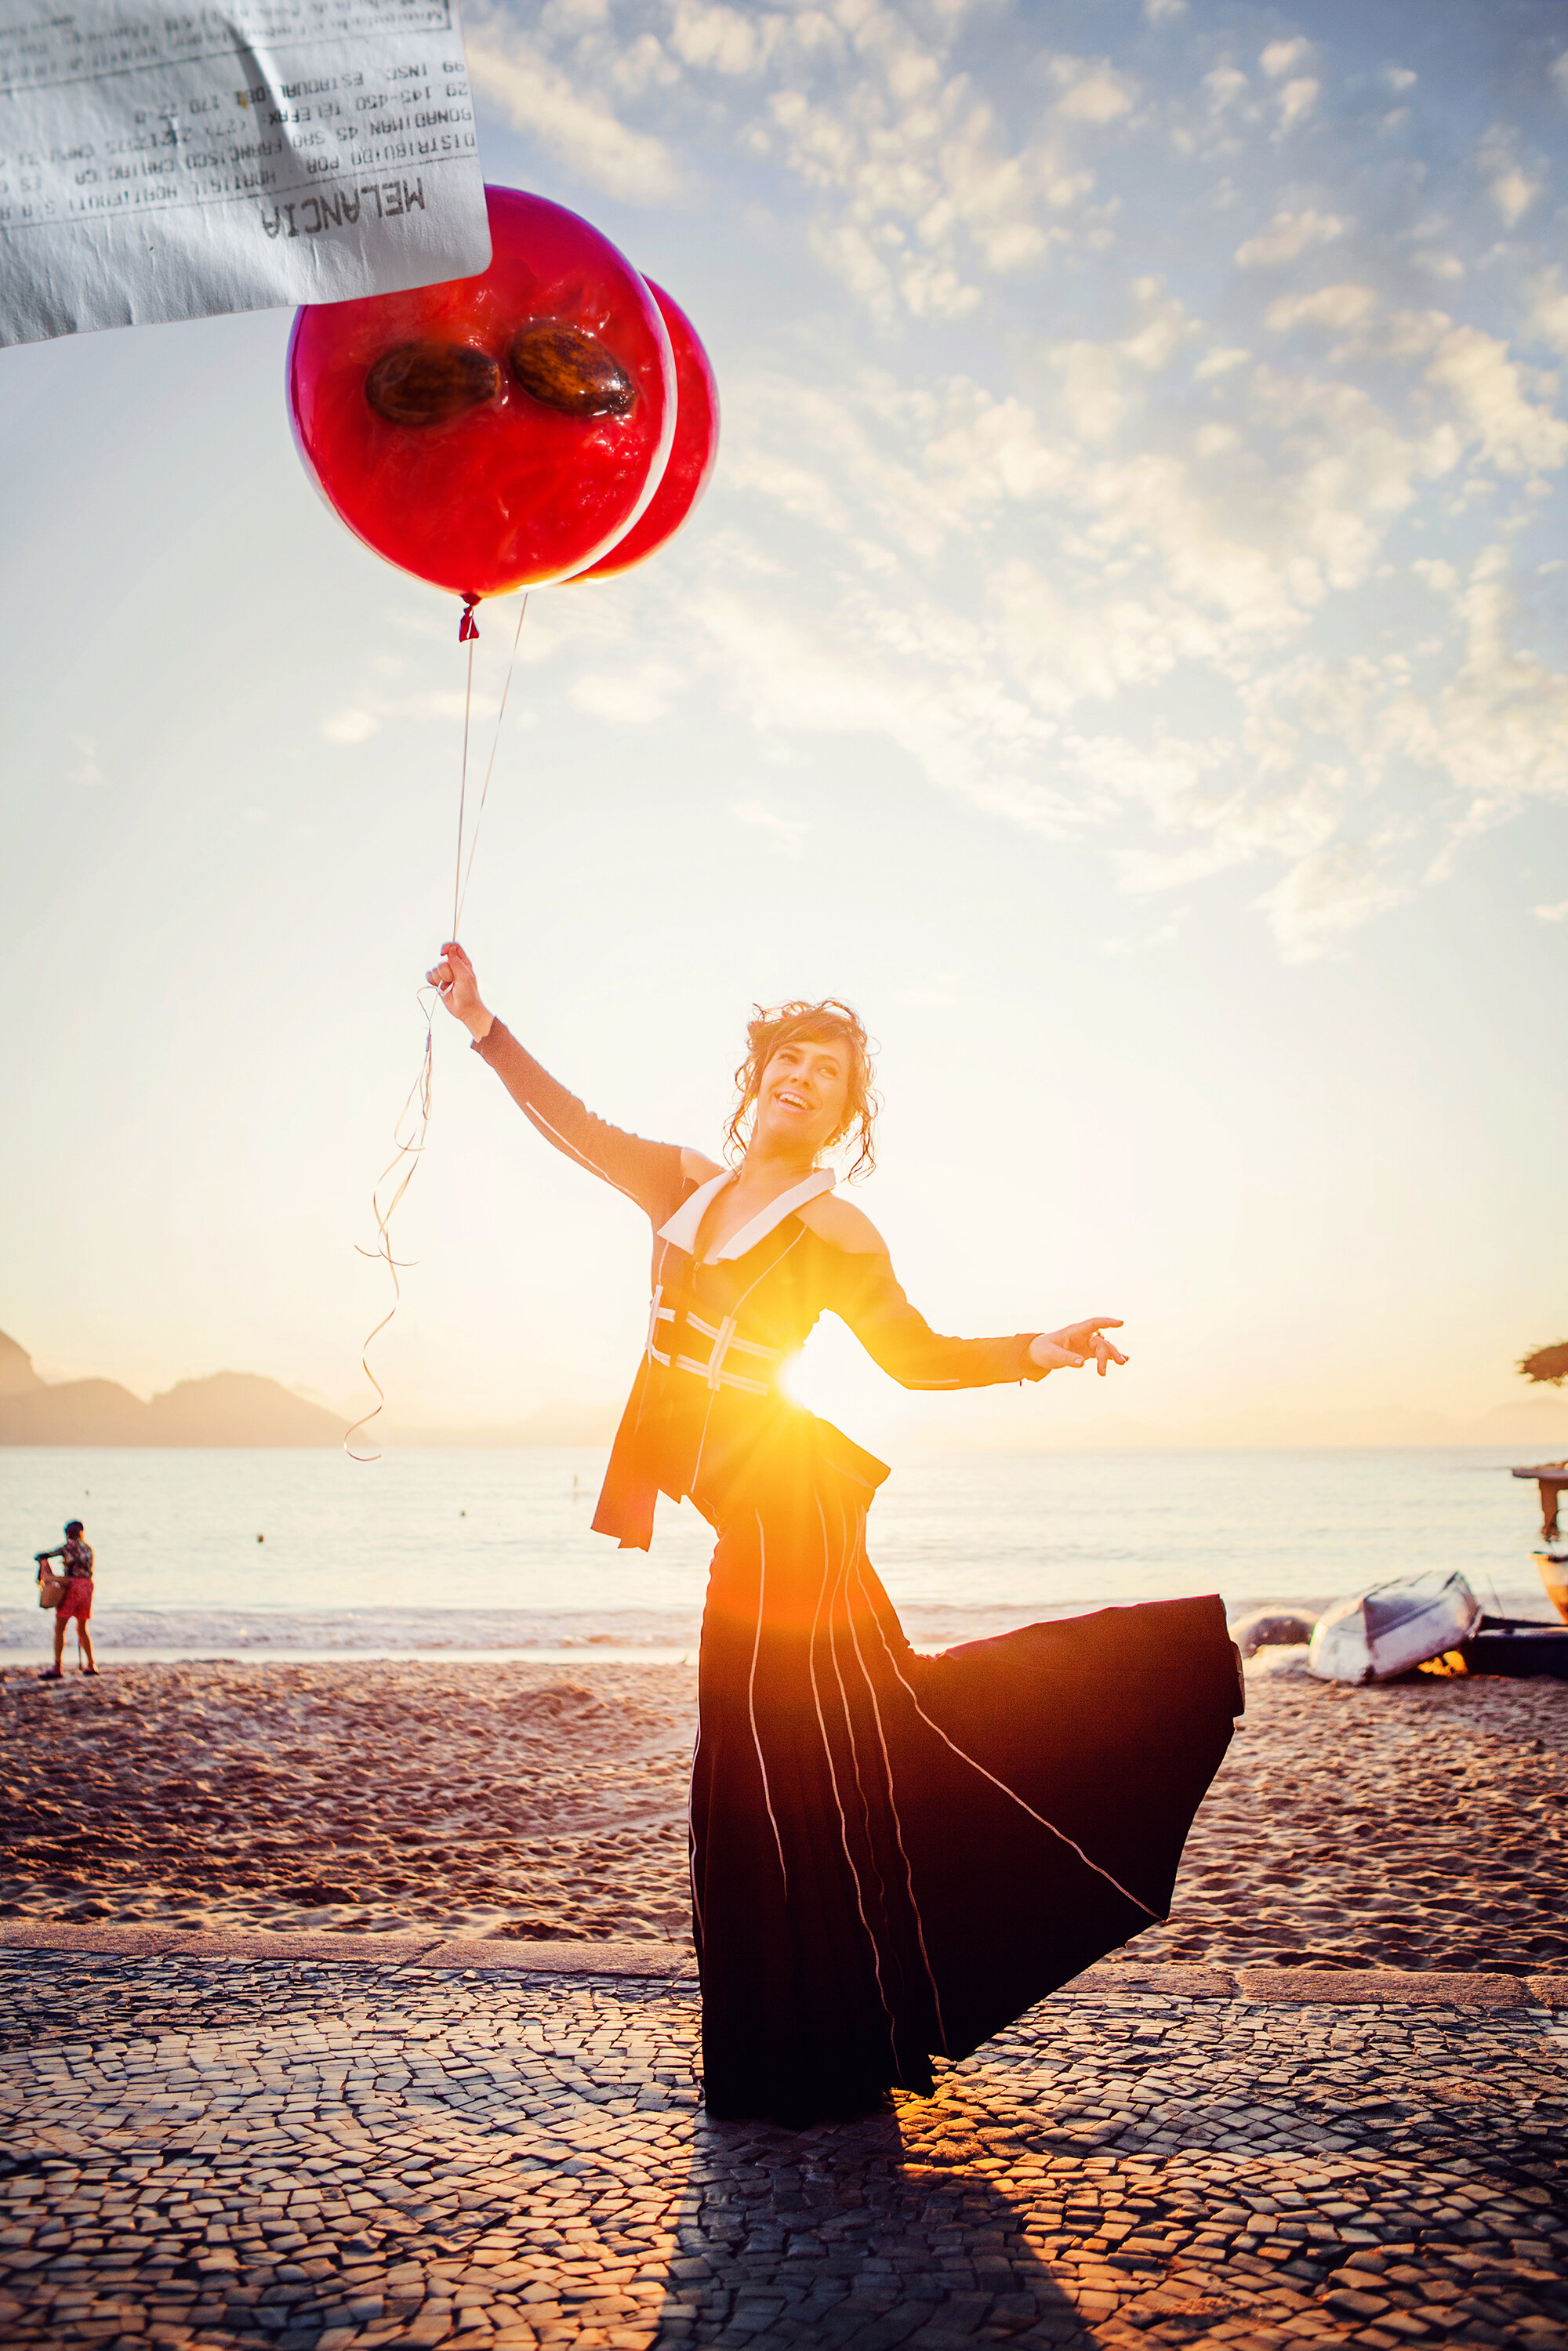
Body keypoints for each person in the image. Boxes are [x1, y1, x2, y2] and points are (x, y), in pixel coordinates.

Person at [428, 941, 1243, 2126]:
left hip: (792, 1514)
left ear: (847, 1113)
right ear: (756, 1077)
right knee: (810, 1758)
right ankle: (802, 2048)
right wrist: (482, 1021)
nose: (803, 1076)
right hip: (752, 1512)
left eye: (830, 1072)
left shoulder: (839, 1228)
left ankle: (795, 2055)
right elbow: (571, 1124)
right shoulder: (682, 1185)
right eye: (789, 1058)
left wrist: (1038, 1346)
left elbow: (914, 1358)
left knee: (767, 1767)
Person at [36, 1519, 96, 1679]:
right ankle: (91, 1664)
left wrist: (41, 1560)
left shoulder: (68, 1547)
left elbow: (48, 1554)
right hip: (88, 1587)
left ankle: (57, 1666)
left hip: (73, 1587)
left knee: (60, 1627)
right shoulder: (88, 1549)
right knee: (82, 1628)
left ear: (68, 1534)